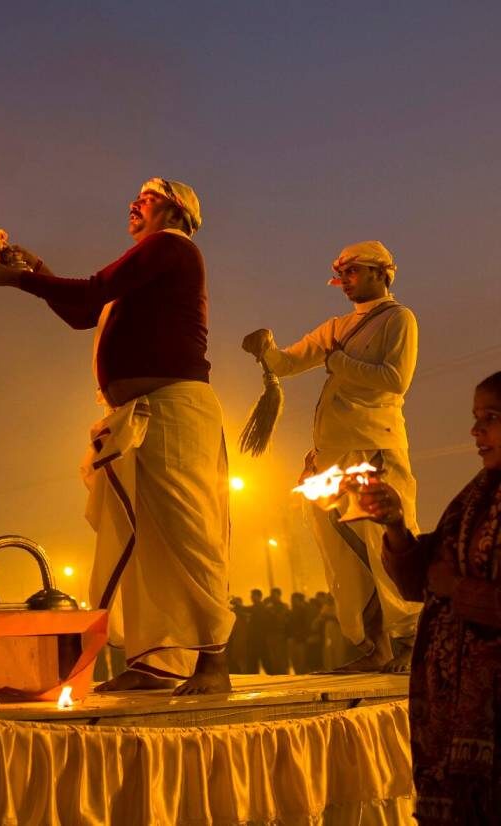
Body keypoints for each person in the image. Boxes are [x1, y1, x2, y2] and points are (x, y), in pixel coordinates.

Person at [0, 177, 232, 694]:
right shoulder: (151, 262)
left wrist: (18, 280)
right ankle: (157, 665)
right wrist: (35, 272)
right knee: (143, 542)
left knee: (185, 535)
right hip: (140, 418)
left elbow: (91, 291)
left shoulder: (171, 248)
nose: (133, 203)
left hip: (173, 414)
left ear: (176, 214)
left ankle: (212, 663)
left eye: (148, 198)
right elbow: (85, 313)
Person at [242, 240, 421, 672]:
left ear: (381, 273)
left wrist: (336, 361)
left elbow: (394, 380)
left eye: (353, 273)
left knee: (385, 542)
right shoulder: (337, 326)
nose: (344, 283)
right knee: (340, 553)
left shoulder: (399, 319)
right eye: (341, 275)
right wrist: (265, 350)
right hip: (331, 453)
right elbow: (286, 364)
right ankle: (373, 644)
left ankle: (413, 641)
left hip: (372, 446)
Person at [357, 371, 501, 823]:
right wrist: (396, 526)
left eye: (491, 419)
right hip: (452, 719)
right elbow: (420, 583)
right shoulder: (473, 496)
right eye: (475, 419)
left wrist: (460, 592)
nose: (475, 432)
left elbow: (446, 584)